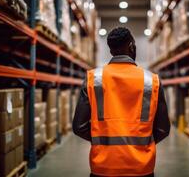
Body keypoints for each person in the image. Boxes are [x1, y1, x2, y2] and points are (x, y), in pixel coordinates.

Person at [73, 27, 170, 177]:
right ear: (132, 46)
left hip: (103, 167)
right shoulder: (152, 81)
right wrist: (141, 145)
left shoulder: (94, 78)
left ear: (111, 51)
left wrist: (103, 143)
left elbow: (79, 127)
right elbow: (163, 129)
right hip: (141, 167)